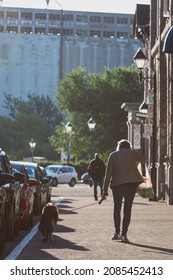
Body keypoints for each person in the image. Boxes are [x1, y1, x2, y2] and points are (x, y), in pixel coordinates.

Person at [100, 139, 145, 243]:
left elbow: (108, 173)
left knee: (117, 208)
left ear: (119, 146)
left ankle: (116, 232)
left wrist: (104, 190)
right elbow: (143, 160)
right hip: (131, 185)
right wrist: (133, 156)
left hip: (117, 185)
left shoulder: (113, 155)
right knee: (127, 209)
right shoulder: (133, 153)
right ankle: (124, 234)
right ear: (129, 146)